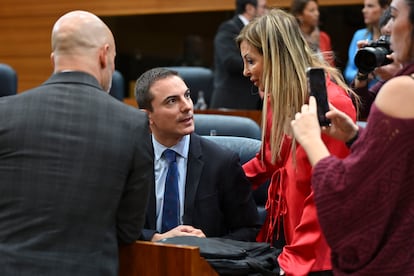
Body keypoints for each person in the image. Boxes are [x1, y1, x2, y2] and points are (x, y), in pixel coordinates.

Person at [0, 10, 153, 275]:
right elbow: (128, 230)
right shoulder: (132, 124)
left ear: (53, 59)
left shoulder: (4, 112)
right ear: (104, 55)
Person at [290, 2, 414, 274]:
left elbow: (351, 195)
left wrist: (312, 139)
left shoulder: (402, 90)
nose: (387, 29)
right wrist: (355, 136)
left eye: (393, 16)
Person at [236, 8, 357, 275]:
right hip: (285, 232)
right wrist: (219, 181)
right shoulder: (274, 98)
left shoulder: (331, 103)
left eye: (251, 61)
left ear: (275, 56)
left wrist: (295, 257)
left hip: (319, 250)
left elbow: (326, 192)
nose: (245, 72)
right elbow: (269, 159)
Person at [135, 67, 260, 242]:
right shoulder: (130, 161)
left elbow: (249, 231)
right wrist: (155, 239)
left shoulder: (222, 162)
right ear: (147, 116)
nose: (187, 107)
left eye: (187, 95)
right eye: (171, 101)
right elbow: (113, 226)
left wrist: (207, 244)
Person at [210, 0, 267, 110]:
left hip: (254, 103)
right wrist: (258, 63)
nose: (266, 11)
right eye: (263, 7)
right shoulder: (229, 28)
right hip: (231, 102)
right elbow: (229, 61)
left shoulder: (259, 32)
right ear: (250, 8)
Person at [352, 6, 403, 120]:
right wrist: (363, 73)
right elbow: (362, 111)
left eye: (390, 37)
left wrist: (401, 74)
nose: (389, 44)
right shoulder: (387, 79)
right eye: (383, 37)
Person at [343, 0, 391, 85]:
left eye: (370, 6)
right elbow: (348, 72)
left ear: (385, 8)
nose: (364, 10)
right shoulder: (359, 36)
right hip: (364, 89)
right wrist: (364, 72)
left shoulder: (394, 37)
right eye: (364, 6)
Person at [290, 0, 335, 66]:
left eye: (317, 10)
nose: (317, 13)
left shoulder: (324, 37)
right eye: (312, 10)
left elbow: (331, 66)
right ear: (299, 15)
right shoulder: (292, 38)